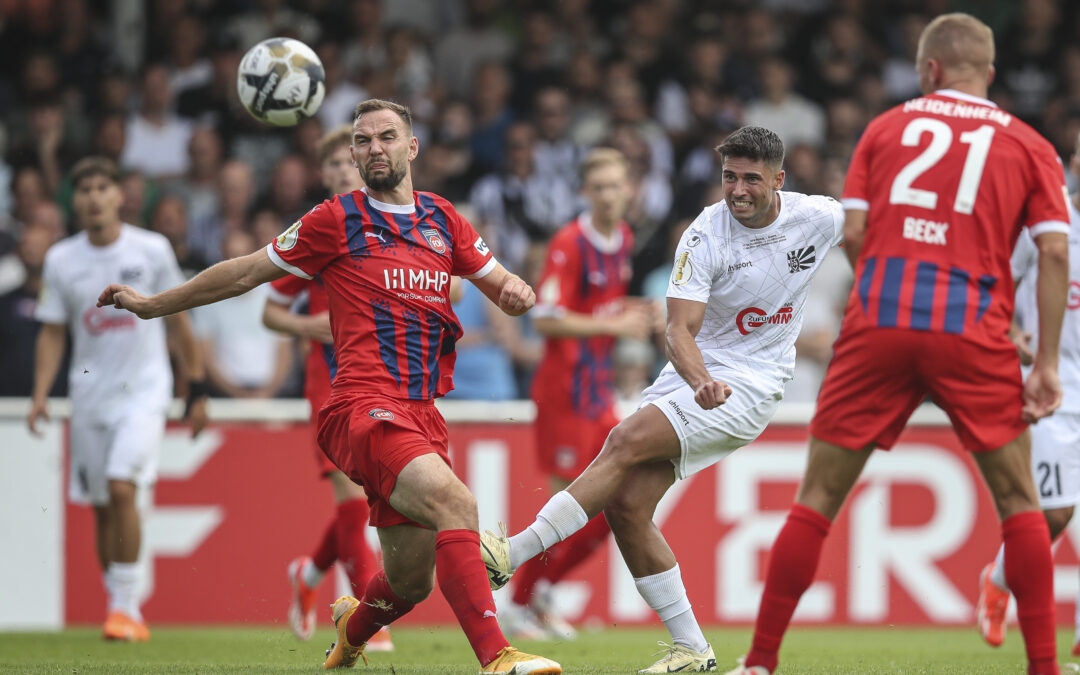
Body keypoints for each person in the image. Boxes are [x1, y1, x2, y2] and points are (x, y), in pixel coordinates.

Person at [97, 99, 561, 675]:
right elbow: (244, 272)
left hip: (422, 414)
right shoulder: (334, 219)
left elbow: (500, 284)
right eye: (363, 142)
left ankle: (351, 631)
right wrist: (153, 305)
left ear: (411, 147)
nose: (375, 149)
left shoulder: (443, 218)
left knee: (409, 583)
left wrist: (519, 290)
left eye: (387, 137)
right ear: (352, 154)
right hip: (361, 407)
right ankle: (498, 656)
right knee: (457, 503)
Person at [724, 14, 1070, 675]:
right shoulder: (1030, 144)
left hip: (878, 322)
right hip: (974, 326)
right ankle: (1045, 670)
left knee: (817, 497)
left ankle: (760, 661)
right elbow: (1054, 250)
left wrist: (889, 291)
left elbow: (853, 234)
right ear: (988, 75)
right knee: (1021, 503)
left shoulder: (886, 127)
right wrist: (1046, 361)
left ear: (930, 70)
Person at [481, 125, 846, 673]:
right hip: (695, 374)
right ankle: (693, 648)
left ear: (779, 180)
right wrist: (699, 379)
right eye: (729, 177)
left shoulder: (818, 216)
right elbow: (678, 331)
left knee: (623, 440)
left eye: (751, 178)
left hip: (754, 383)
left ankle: (514, 554)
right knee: (627, 508)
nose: (738, 189)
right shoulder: (705, 233)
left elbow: (876, 232)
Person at [28, 156, 209, 641]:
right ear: (76, 200)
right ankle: (119, 606)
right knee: (104, 505)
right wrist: (41, 395)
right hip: (90, 395)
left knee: (123, 485)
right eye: (83, 188)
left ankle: (126, 607)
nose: (92, 196)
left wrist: (197, 385)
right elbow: (51, 333)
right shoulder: (61, 259)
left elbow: (179, 317)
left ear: (118, 195)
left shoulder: (151, 250)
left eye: (101, 186)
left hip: (145, 390)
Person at [501, 147, 652, 640]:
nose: (610, 195)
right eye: (600, 187)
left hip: (597, 394)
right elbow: (544, 318)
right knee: (567, 505)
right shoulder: (569, 243)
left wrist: (630, 312)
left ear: (628, 189)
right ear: (586, 193)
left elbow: (601, 308)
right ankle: (520, 604)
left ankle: (540, 592)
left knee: (622, 500)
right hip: (564, 393)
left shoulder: (623, 237)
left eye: (616, 185)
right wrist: (616, 320)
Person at [262, 124, 390, 651]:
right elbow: (270, 310)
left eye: (349, 162)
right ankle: (367, 616)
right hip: (330, 384)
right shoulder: (316, 231)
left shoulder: (391, 225)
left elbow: (445, 280)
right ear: (324, 173)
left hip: (386, 380)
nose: (343, 171)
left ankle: (309, 576)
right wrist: (307, 326)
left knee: (365, 502)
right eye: (334, 165)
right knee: (350, 499)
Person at [975, 129, 1080, 653]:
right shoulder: (1049, 227)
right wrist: (1010, 333)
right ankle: (997, 582)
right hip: (1054, 387)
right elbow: (995, 282)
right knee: (1055, 513)